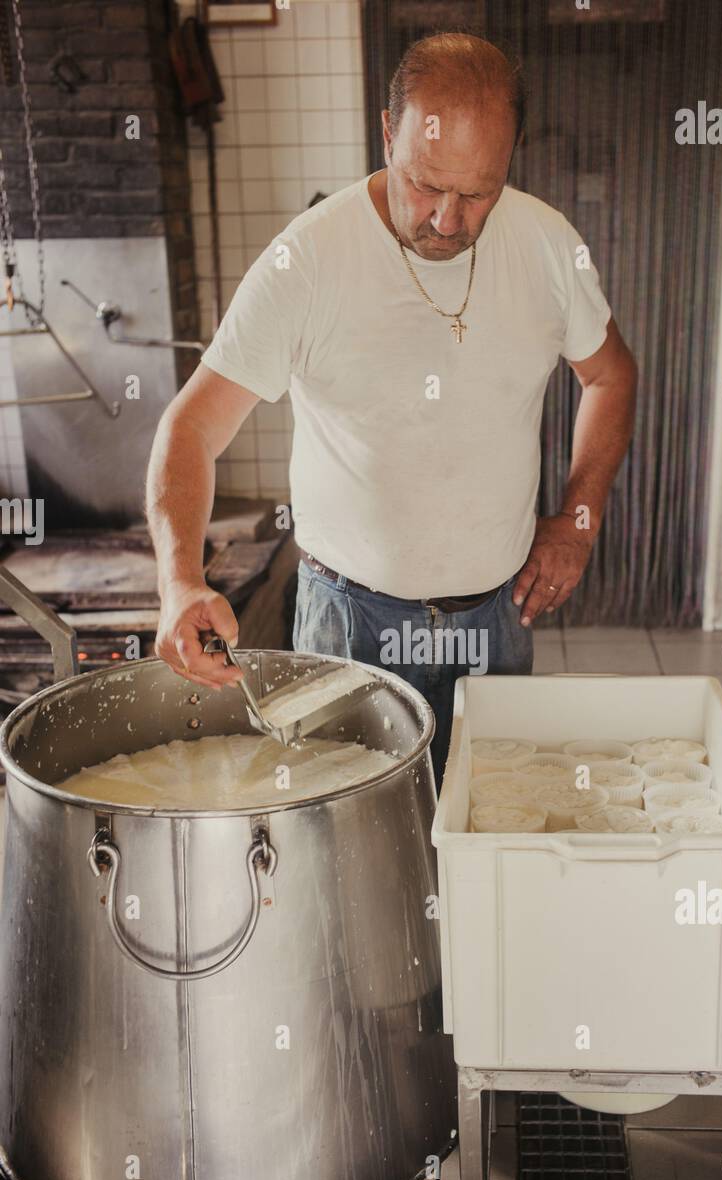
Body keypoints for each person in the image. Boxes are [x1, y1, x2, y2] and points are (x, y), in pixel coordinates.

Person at [147, 32, 637, 790]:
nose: (447, 220)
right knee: (353, 863)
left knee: (487, 839)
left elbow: (611, 376)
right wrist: (180, 579)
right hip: (351, 626)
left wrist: (579, 522)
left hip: (493, 624)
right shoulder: (307, 261)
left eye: (478, 194)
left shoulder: (545, 245)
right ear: (388, 133)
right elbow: (191, 428)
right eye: (425, 185)